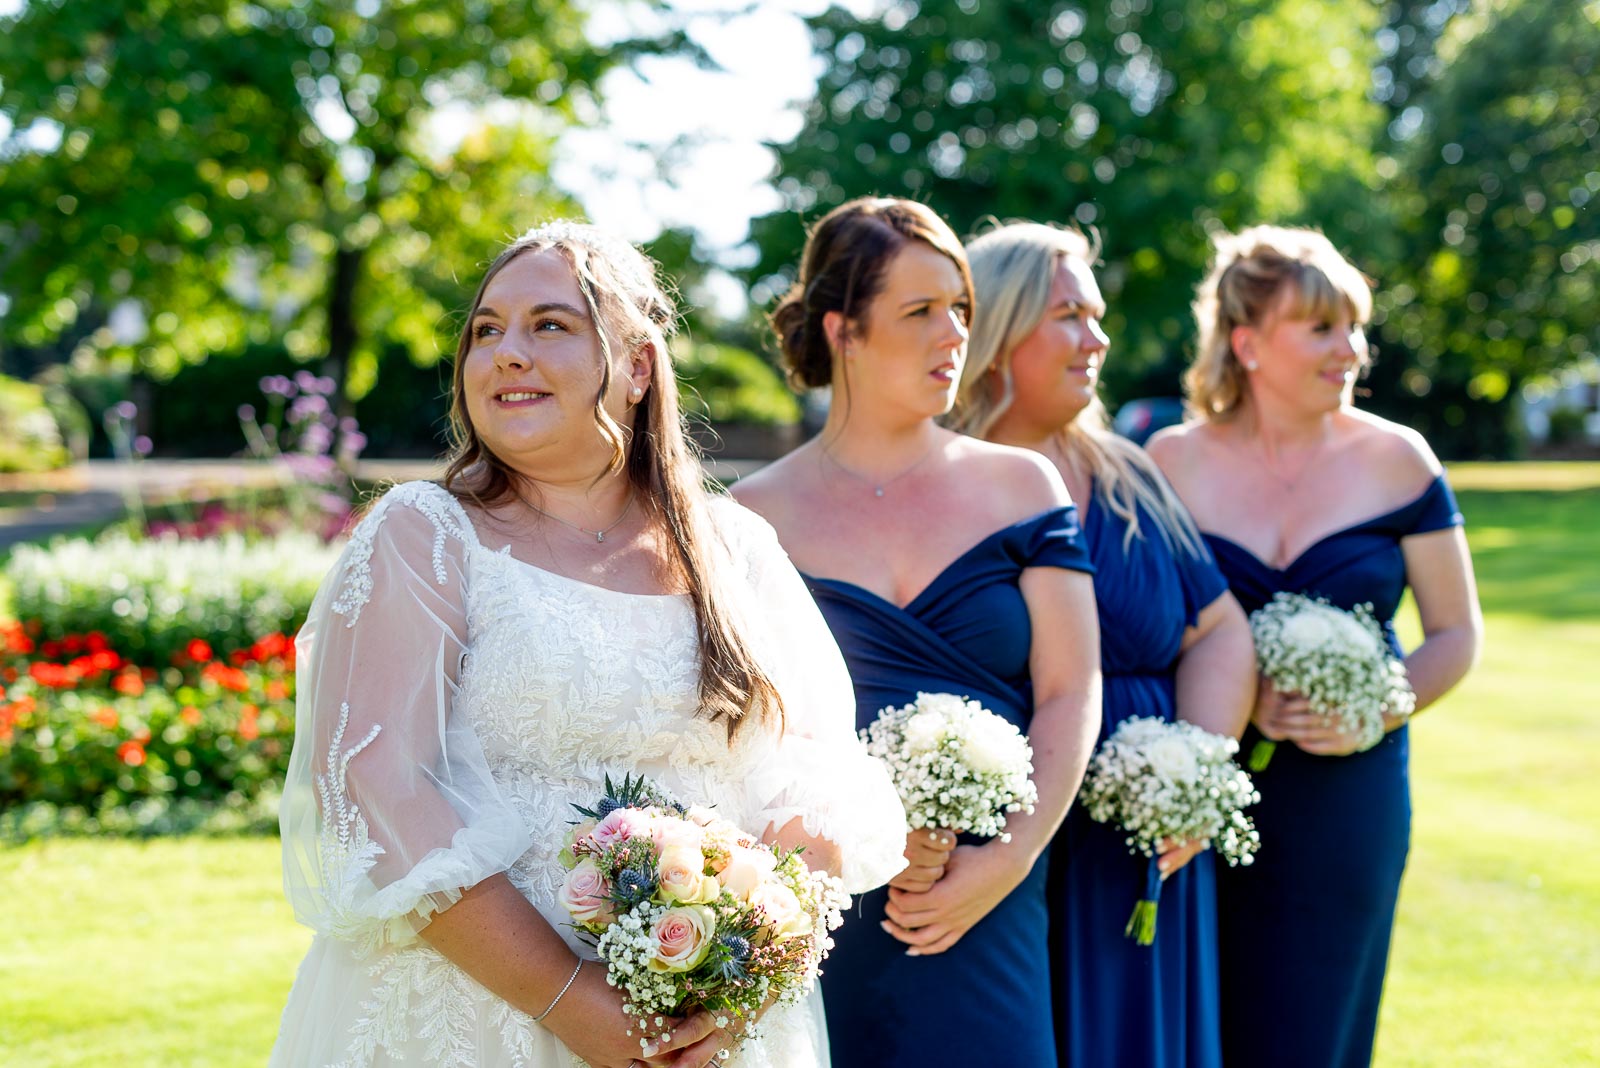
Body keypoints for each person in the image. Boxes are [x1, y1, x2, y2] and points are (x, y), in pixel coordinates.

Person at [269, 221, 909, 1068]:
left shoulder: (732, 547)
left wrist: (735, 980)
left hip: (709, 1029)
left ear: (638, 366)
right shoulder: (424, 536)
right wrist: (571, 1002)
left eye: (551, 325)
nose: (506, 353)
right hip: (475, 1011)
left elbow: (817, 778)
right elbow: (379, 788)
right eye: (486, 331)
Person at [732, 198, 1103, 1067]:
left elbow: (1071, 688)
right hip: (824, 903)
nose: (954, 336)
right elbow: (741, 734)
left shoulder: (1023, 486)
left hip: (992, 893)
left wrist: (1004, 862)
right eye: (920, 311)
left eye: (961, 311)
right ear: (843, 330)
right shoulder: (748, 517)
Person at [1148, 225, 1483, 1068]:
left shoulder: (1401, 461)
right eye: (1323, 328)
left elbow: (1455, 633)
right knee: (1197, 1023)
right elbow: (1143, 632)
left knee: (1318, 1030)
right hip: (1201, 793)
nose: (1352, 351)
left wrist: (1379, 706)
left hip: (1349, 799)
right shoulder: (1169, 464)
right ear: (1247, 342)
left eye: (1355, 327)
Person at [953, 219, 1257, 1067]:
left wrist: (1195, 770)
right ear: (999, 331)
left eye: (1097, 315)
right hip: (1007, 853)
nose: (1099, 338)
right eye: (1069, 318)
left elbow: (1220, 630)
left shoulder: (1130, 473)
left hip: (1147, 843)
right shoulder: (943, 481)